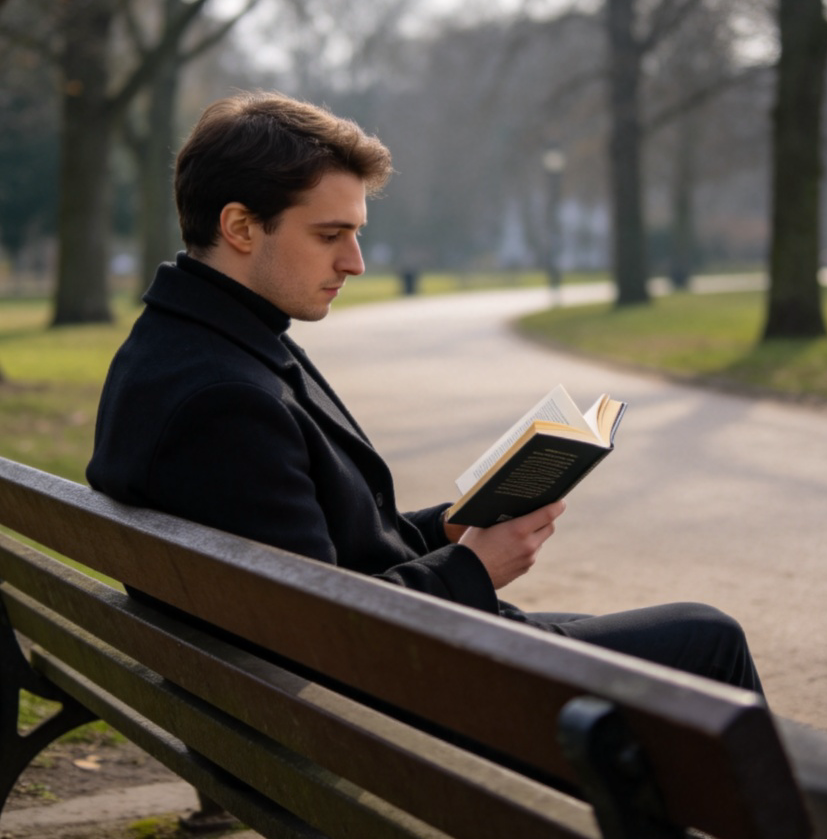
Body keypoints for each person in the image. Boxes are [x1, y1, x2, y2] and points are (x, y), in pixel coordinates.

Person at [87, 91, 763, 695]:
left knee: (669, 649)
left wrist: (451, 525)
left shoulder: (196, 343)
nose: (354, 262)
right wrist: (473, 569)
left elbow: (328, 555)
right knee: (706, 640)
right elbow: (319, 630)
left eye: (356, 234)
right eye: (330, 235)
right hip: (384, 706)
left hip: (332, 689)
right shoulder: (223, 400)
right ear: (239, 227)